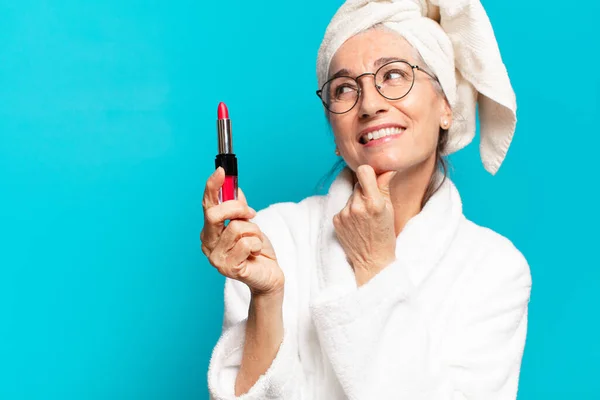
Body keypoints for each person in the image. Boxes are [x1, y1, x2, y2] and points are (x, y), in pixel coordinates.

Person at [202, 0, 532, 398]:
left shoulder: (494, 269)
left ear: (447, 107)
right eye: (344, 89)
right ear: (336, 133)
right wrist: (267, 299)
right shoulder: (273, 238)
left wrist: (374, 264)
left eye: (393, 75)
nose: (370, 104)